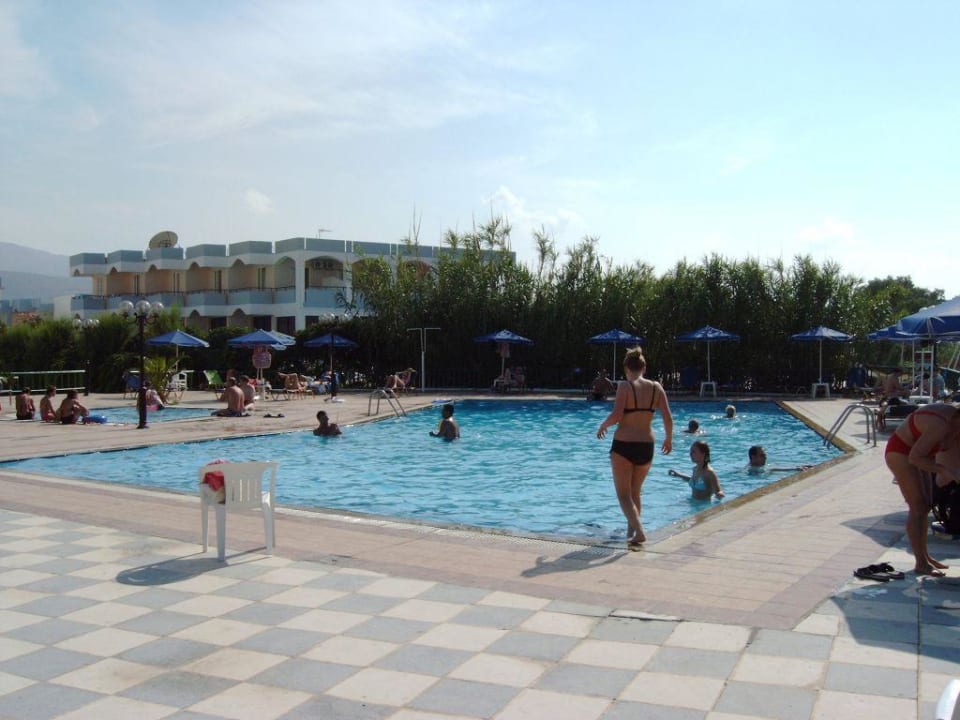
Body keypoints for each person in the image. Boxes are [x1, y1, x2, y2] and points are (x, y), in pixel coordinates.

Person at [596, 347, 674, 548]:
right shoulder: (657, 387)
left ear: (626, 369)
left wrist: (603, 425)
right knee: (635, 492)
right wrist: (668, 439)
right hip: (647, 445)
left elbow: (617, 416)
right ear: (644, 368)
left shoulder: (624, 386)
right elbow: (667, 416)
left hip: (624, 445)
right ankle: (631, 534)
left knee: (624, 495)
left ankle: (639, 531)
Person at [884, 402, 960, 576]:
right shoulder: (941, 424)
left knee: (925, 507)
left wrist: (948, 474)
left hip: (923, 455)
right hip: (901, 451)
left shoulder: (955, 426)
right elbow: (915, 458)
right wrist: (944, 470)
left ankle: (925, 557)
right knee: (917, 506)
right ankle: (920, 563)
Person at [746, 445, 812, 473]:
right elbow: (773, 469)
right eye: (762, 455)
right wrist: (795, 469)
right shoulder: (753, 470)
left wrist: (798, 466)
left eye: (765, 455)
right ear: (753, 457)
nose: (765, 458)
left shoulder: (754, 464)